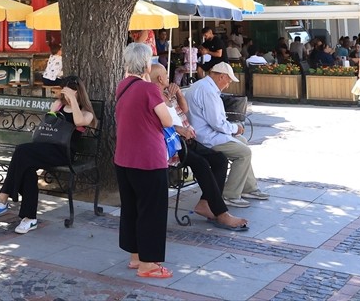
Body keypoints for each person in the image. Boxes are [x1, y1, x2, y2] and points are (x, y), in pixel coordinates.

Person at [0, 76, 96, 233]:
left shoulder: (86, 112)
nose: (65, 95)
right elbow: (45, 127)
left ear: (78, 92)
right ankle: (29, 219)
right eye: (64, 91)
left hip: (62, 153)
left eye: (70, 92)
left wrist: (74, 101)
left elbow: (78, 122)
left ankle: (3, 197)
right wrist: (55, 110)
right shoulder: (58, 105)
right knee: (27, 170)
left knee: (21, 151)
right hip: (44, 148)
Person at [149, 64, 247, 231]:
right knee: (201, 164)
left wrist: (178, 93)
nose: (169, 77)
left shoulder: (167, 94)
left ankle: (205, 203)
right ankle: (221, 213)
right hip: (174, 143)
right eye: (166, 75)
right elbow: (159, 125)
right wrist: (180, 129)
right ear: (159, 78)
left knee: (220, 160)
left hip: (188, 139)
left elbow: (184, 110)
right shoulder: (153, 97)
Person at [114, 42, 174, 279]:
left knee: (131, 208)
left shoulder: (122, 86)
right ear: (146, 63)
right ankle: (148, 263)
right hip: (148, 158)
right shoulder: (148, 89)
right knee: (152, 210)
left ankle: (136, 256)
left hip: (124, 156)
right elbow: (167, 121)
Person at [184, 61, 268, 207]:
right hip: (206, 137)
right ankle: (230, 194)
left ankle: (249, 188)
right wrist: (235, 128)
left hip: (203, 133)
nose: (228, 85)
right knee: (244, 153)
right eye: (228, 80)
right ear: (221, 77)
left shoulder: (204, 86)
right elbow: (217, 123)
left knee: (242, 142)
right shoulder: (208, 91)